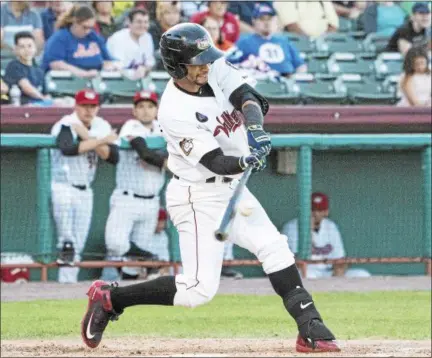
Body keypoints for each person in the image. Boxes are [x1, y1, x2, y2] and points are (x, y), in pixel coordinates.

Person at [81, 23, 340, 354]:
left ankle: (310, 326)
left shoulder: (212, 67)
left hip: (232, 188)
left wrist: (255, 129)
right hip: (196, 195)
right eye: (196, 61)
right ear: (177, 65)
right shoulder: (174, 110)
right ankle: (110, 298)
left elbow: (247, 96)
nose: (205, 64)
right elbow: (216, 162)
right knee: (197, 290)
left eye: (206, 58)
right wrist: (245, 160)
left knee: (274, 247)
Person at [51, 89, 119, 283]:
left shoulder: (101, 124)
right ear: (76, 106)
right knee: (67, 243)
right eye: (84, 106)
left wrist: (88, 138)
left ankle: (68, 285)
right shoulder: (66, 123)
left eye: (92, 106)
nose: (88, 110)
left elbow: (114, 157)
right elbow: (67, 149)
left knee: (78, 243)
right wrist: (102, 141)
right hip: (62, 187)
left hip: (85, 190)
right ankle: (64, 284)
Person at [102, 90, 168, 281]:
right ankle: (151, 258)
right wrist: (164, 162)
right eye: (141, 107)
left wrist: (165, 157)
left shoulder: (163, 128)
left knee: (133, 265)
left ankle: (129, 290)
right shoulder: (131, 126)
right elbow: (144, 152)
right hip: (127, 198)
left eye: (150, 106)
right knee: (115, 243)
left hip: (152, 202)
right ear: (134, 110)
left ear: (156, 109)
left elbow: (177, 151)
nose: (146, 111)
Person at [282, 192, 371, 279]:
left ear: (326, 212)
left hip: (328, 272)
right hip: (306, 271)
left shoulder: (331, 226)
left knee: (362, 274)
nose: (315, 214)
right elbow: (296, 261)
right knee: (306, 276)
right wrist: (308, 231)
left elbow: (340, 258)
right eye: (312, 210)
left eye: (320, 210)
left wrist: (339, 271)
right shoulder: (291, 227)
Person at [228, 4, 307, 77]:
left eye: (269, 19)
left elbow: (300, 65)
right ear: (254, 21)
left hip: (288, 79)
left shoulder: (284, 41)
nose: (266, 23)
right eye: (262, 19)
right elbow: (231, 64)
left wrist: (296, 78)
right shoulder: (243, 41)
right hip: (261, 81)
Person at [42, 4, 120, 78]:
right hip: (69, 82)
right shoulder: (60, 38)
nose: (88, 31)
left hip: (95, 81)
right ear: (74, 22)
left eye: (90, 27)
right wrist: (84, 74)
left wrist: (109, 66)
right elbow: (55, 64)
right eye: (84, 27)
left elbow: (107, 59)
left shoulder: (93, 36)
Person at [3, 31, 52, 106]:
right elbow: (27, 88)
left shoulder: (39, 69)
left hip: (39, 106)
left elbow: (46, 93)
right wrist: (43, 99)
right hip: (21, 108)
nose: (27, 50)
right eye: (22, 47)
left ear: (35, 48)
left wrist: (49, 101)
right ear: (15, 49)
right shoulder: (13, 66)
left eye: (30, 46)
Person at [106, 8, 155, 78]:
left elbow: (149, 64)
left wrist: (144, 69)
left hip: (137, 80)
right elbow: (116, 68)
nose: (143, 25)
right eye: (139, 22)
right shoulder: (118, 38)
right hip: (114, 79)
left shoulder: (147, 37)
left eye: (146, 22)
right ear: (129, 22)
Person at [274, 1, 339, 38]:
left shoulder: (324, 1)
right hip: (295, 41)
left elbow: (333, 25)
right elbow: (291, 26)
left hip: (321, 44)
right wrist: (309, 41)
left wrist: (323, 40)